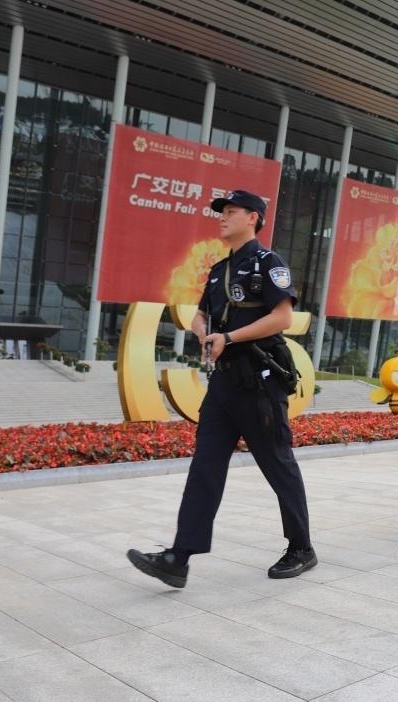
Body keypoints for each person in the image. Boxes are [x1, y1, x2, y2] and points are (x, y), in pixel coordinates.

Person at [128, 189, 316, 588]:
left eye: (231, 211)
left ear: (253, 218)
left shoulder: (268, 263)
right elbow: (200, 315)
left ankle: (302, 547)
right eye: (222, 211)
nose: (222, 217)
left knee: (278, 464)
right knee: (205, 467)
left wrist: (229, 337)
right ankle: (179, 557)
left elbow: (283, 317)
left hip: (260, 383)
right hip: (224, 385)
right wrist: (204, 332)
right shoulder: (219, 270)